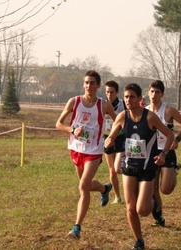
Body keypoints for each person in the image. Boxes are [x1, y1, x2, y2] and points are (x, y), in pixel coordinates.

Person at [104, 83, 174, 250]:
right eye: (126, 97)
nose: (128, 100)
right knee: (130, 207)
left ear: (140, 99)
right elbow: (112, 135)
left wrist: (163, 154)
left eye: (132, 97)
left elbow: (170, 135)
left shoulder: (150, 117)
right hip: (129, 167)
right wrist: (109, 141)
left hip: (147, 168)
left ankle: (152, 201)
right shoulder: (122, 116)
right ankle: (139, 241)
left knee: (142, 210)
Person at [56, 70, 117, 240]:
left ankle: (76, 228)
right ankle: (105, 188)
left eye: (92, 83)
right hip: (76, 149)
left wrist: (111, 137)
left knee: (83, 186)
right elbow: (58, 124)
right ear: (83, 84)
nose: (89, 86)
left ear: (98, 85)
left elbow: (119, 121)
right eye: (86, 83)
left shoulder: (104, 105)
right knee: (86, 185)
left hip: (94, 151)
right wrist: (72, 130)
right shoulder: (74, 101)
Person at [145, 80, 181, 227]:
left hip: (167, 150)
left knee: (166, 189)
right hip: (151, 152)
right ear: (148, 93)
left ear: (162, 94)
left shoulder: (168, 111)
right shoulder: (145, 111)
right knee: (152, 187)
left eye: (157, 92)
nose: (154, 95)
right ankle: (159, 216)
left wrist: (177, 139)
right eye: (152, 91)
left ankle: (174, 169)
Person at [103, 80, 126, 204]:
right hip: (107, 139)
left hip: (121, 138)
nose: (109, 94)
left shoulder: (123, 104)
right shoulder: (102, 104)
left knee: (118, 168)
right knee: (111, 170)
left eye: (112, 92)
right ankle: (117, 197)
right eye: (107, 92)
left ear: (117, 92)